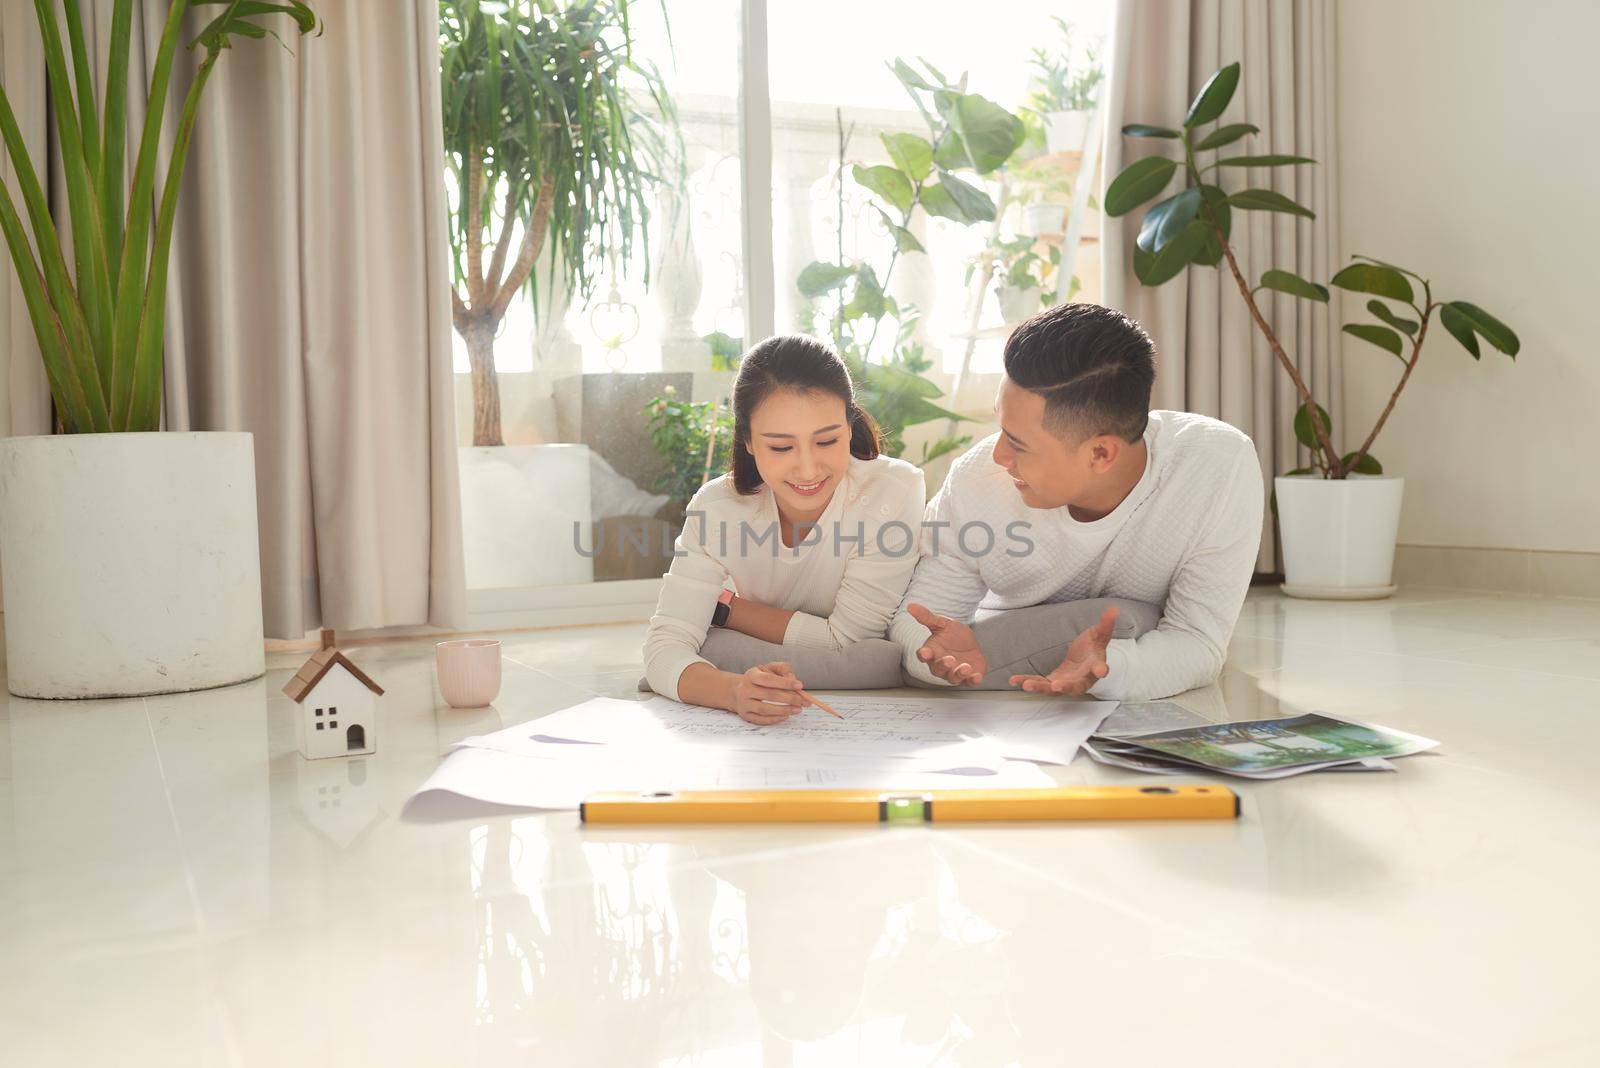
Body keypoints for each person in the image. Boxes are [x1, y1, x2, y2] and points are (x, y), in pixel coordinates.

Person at [889, 302, 1264, 702]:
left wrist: (1110, 669)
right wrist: (932, 653)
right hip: (1001, 628)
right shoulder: (976, 481)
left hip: (1110, 643)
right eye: (1001, 428)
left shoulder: (1217, 466)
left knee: (1136, 620)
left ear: (1101, 454)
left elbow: (1198, 643)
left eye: (1018, 444)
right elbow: (919, 620)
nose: (999, 456)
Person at [644, 334, 926, 723]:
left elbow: (850, 641)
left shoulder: (892, 490)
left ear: (850, 425)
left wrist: (726, 610)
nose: (808, 470)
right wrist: (732, 691)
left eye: (827, 440)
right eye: (780, 448)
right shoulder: (717, 509)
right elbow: (664, 648)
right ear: (747, 441)